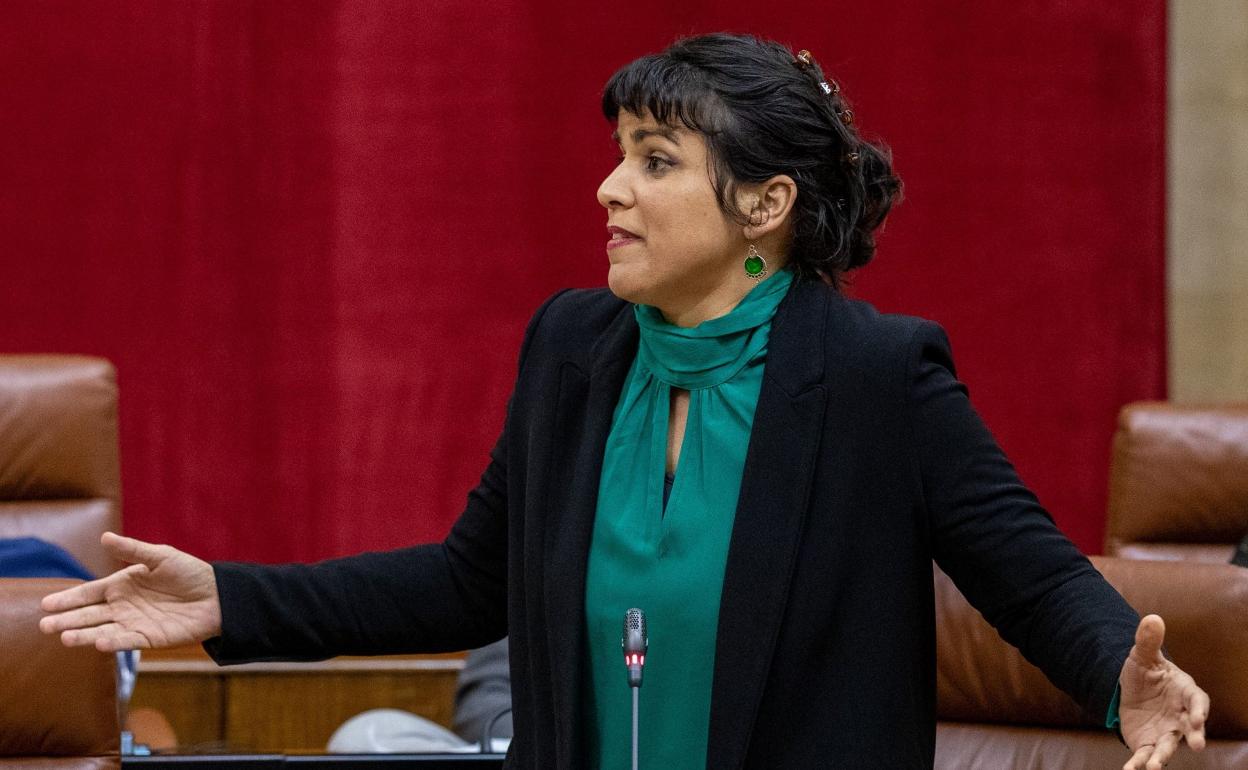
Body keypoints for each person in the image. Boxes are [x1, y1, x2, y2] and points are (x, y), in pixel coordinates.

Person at [39, 33, 1207, 770]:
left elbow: (1033, 575)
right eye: (619, 152)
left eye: (655, 158)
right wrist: (229, 598)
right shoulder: (575, 347)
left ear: (764, 205)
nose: (610, 186)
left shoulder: (874, 378)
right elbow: (467, 577)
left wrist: (1124, 677)